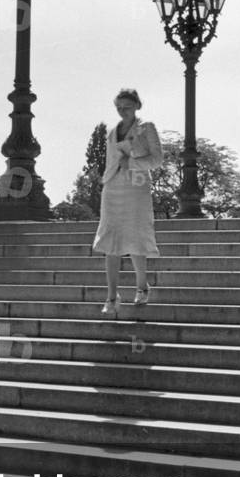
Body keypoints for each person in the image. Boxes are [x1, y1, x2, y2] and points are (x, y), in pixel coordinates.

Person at [92, 89, 164, 318]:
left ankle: (142, 286)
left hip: (136, 188)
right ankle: (112, 297)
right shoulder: (112, 132)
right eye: (119, 107)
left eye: (127, 106)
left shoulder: (147, 128)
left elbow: (157, 159)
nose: (122, 110)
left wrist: (131, 162)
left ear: (137, 106)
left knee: (135, 237)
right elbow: (110, 161)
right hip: (113, 188)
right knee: (110, 240)